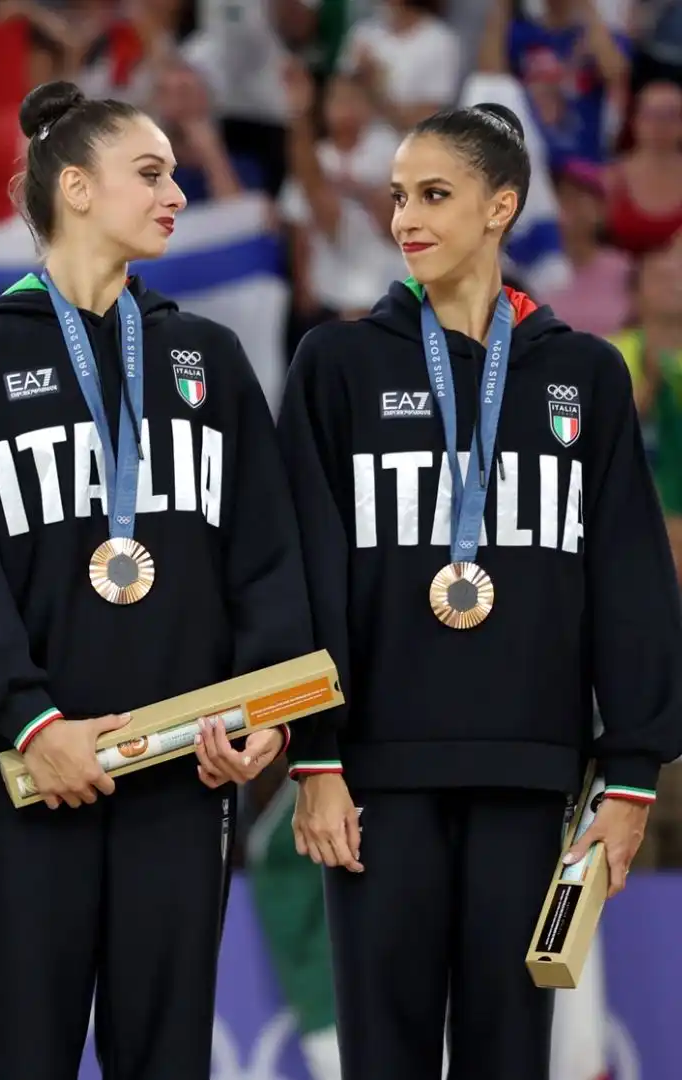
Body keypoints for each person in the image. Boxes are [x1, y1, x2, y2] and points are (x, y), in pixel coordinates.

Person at [0, 81, 312, 1080]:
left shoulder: (207, 359)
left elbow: (265, 557)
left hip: (184, 774)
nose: (176, 192)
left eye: (176, 173)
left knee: (167, 1058)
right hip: (26, 778)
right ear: (76, 187)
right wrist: (32, 723)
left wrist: (264, 711)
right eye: (152, 172)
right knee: (28, 1057)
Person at [279, 102, 682, 1079]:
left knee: (513, 1054)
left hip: (532, 774)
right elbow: (301, 569)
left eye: (433, 195)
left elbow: (628, 580)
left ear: (501, 206)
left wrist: (630, 778)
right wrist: (316, 758)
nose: (404, 218)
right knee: (387, 1054)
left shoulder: (583, 377)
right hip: (376, 776)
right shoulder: (336, 364)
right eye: (396, 197)